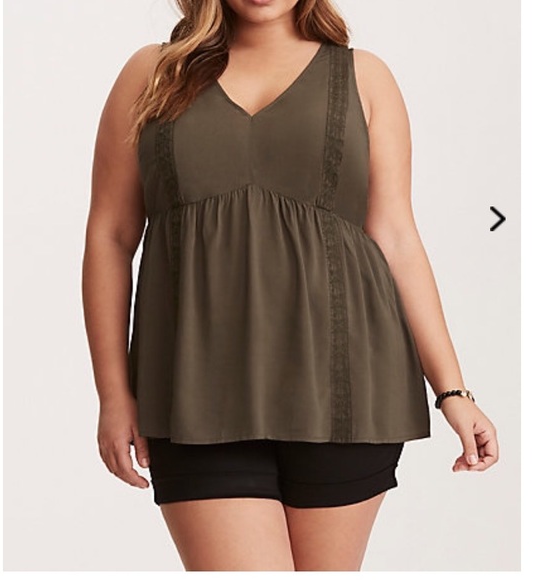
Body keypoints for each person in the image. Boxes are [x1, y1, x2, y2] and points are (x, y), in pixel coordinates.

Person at [82, 0, 499, 571]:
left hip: (346, 391)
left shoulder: (364, 76)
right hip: (193, 395)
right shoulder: (153, 73)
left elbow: (396, 238)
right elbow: (110, 236)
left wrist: (453, 392)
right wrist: (112, 394)